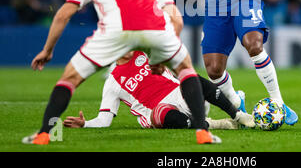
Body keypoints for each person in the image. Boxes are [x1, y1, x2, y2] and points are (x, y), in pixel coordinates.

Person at [23, 0, 220, 145]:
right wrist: (166, 52)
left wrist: (47, 50)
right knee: (185, 70)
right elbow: (176, 17)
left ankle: (43, 134)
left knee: (69, 80)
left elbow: (63, 14)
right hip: (151, 29)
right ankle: (202, 131)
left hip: (114, 31)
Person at [63, 51, 254, 130]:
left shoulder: (147, 52)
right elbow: (104, 120)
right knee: (160, 113)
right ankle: (213, 124)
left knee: (193, 79)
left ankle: (238, 115)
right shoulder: (112, 82)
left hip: (185, 96)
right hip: (158, 111)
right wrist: (85, 124)